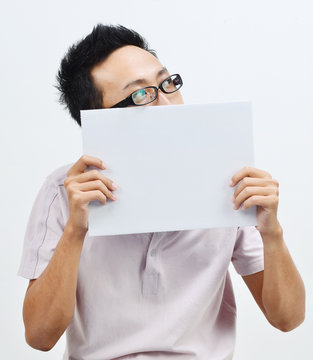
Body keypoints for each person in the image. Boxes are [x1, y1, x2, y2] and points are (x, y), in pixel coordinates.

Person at [18, 24, 305, 360]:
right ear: (99, 123)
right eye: (141, 95)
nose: (168, 104)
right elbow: (39, 336)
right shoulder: (63, 192)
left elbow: (288, 319)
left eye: (167, 83)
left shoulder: (230, 182)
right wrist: (75, 231)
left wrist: (272, 232)